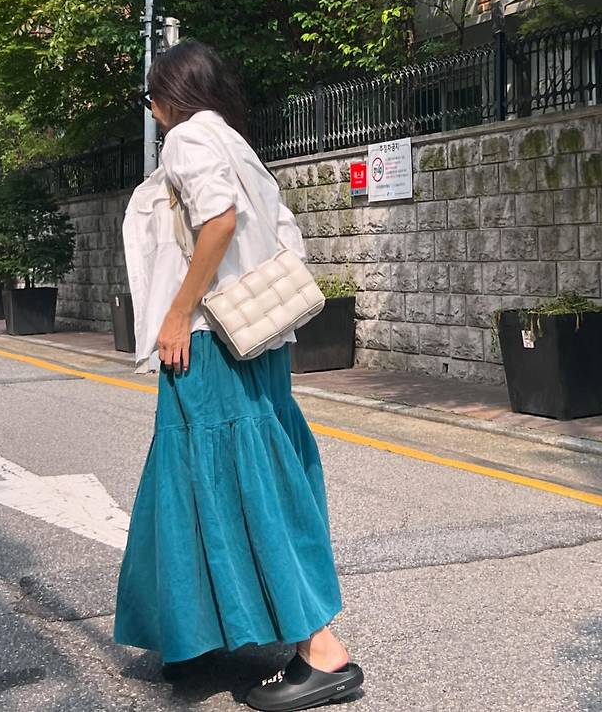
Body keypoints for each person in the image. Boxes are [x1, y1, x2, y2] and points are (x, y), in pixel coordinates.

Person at [113, 40, 364, 711]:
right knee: (219, 479)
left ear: (169, 96)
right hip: (258, 339)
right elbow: (283, 238)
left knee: (243, 484)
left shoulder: (188, 139)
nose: (153, 110)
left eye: (152, 96)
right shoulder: (237, 145)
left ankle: (323, 651)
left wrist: (178, 313)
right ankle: (198, 635)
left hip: (208, 342)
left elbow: (218, 220)